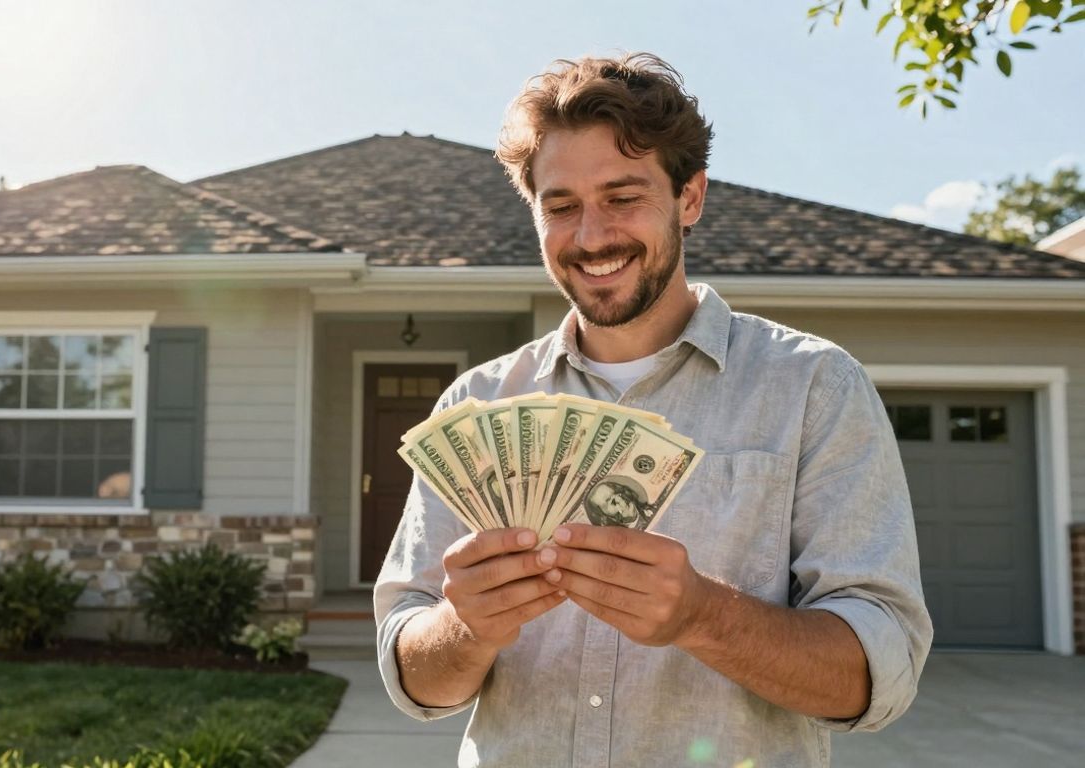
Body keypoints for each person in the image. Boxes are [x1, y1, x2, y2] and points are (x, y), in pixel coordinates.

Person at [373, 53, 932, 767]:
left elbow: (877, 673)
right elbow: (413, 675)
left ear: (689, 198)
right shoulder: (478, 404)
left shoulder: (813, 387)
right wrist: (467, 626)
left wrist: (705, 614)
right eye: (561, 205)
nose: (592, 235)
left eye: (622, 195)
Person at [582, 476, 650, 528]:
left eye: (617, 493)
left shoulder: (651, 509)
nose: (619, 499)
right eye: (611, 502)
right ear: (604, 516)